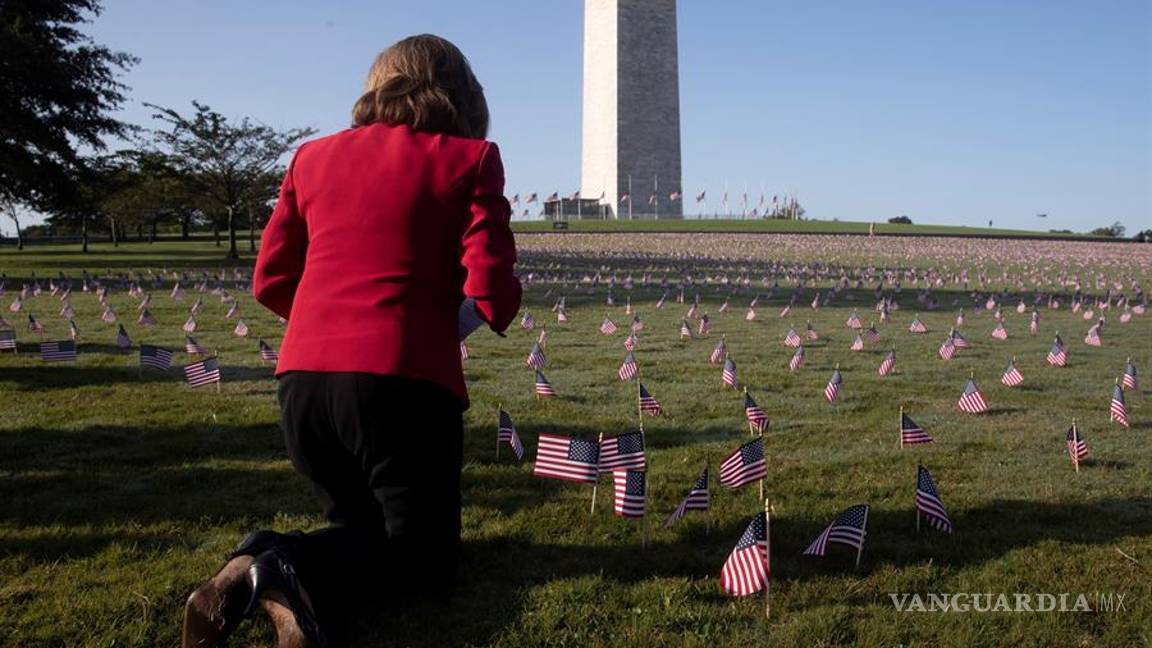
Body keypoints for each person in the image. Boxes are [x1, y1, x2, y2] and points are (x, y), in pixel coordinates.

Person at [181, 34, 521, 648]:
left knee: (358, 529)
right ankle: (275, 559)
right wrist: (440, 326)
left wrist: (326, 330)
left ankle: (261, 573)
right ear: (463, 94)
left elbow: (270, 280)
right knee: (427, 563)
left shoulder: (311, 157)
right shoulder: (470, 158)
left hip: (301, 383)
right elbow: (495, 294)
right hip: (403, 383)